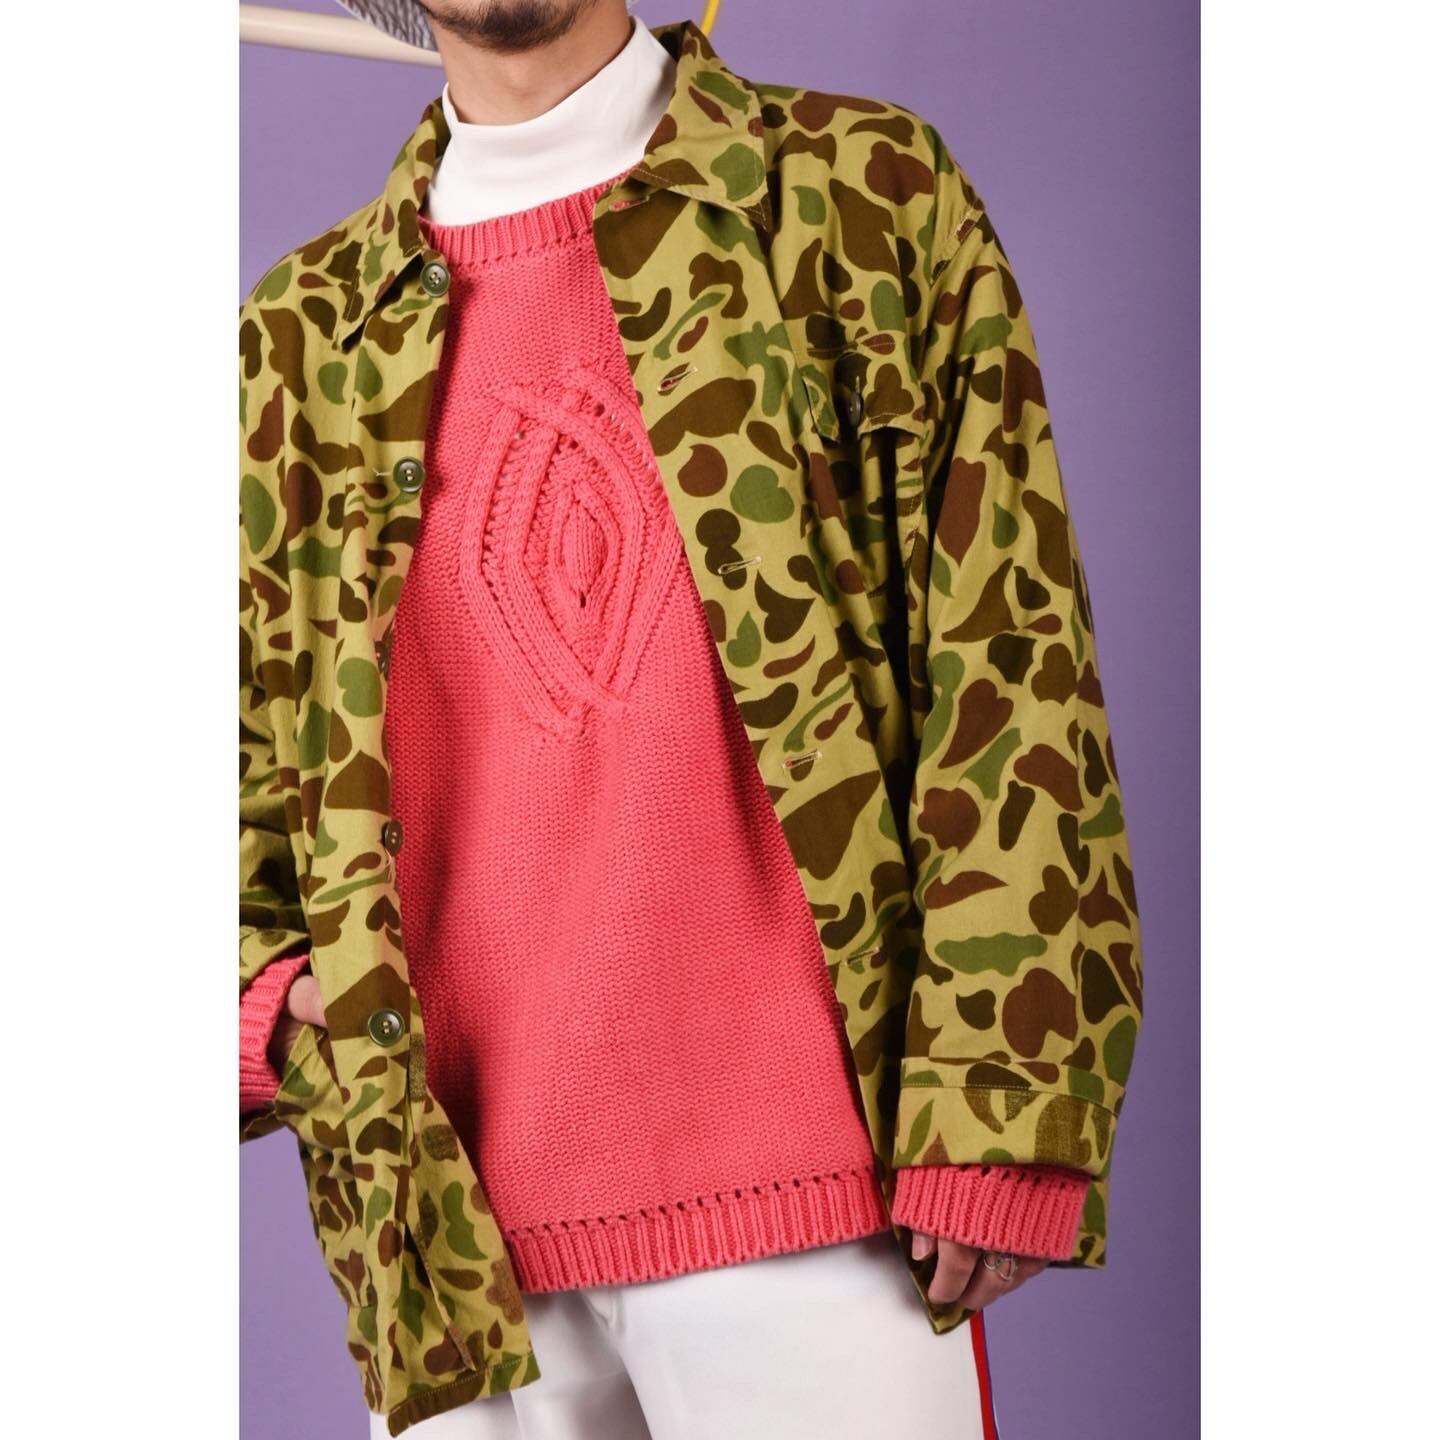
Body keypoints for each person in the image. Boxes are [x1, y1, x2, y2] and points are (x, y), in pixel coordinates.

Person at [238, 3, 1145, 1436]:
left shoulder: (860, 199)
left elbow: (1007, 658)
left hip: (829, 1218)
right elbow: (232, 750)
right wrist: (271, 1013)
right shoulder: (301, 338)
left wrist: (1004, 1104)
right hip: (452, 1260)